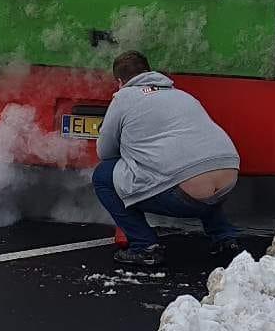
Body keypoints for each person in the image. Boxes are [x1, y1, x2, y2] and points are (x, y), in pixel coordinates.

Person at [92, 51, 244, 268]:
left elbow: (105, 152)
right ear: (149, 72)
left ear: (119, 81)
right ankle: (225, 238)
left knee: (103, 176)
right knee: (191, 168)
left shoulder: (124, 98)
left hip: (187, 191)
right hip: (227, 175)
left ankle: (144, 246)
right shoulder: (181, 94)